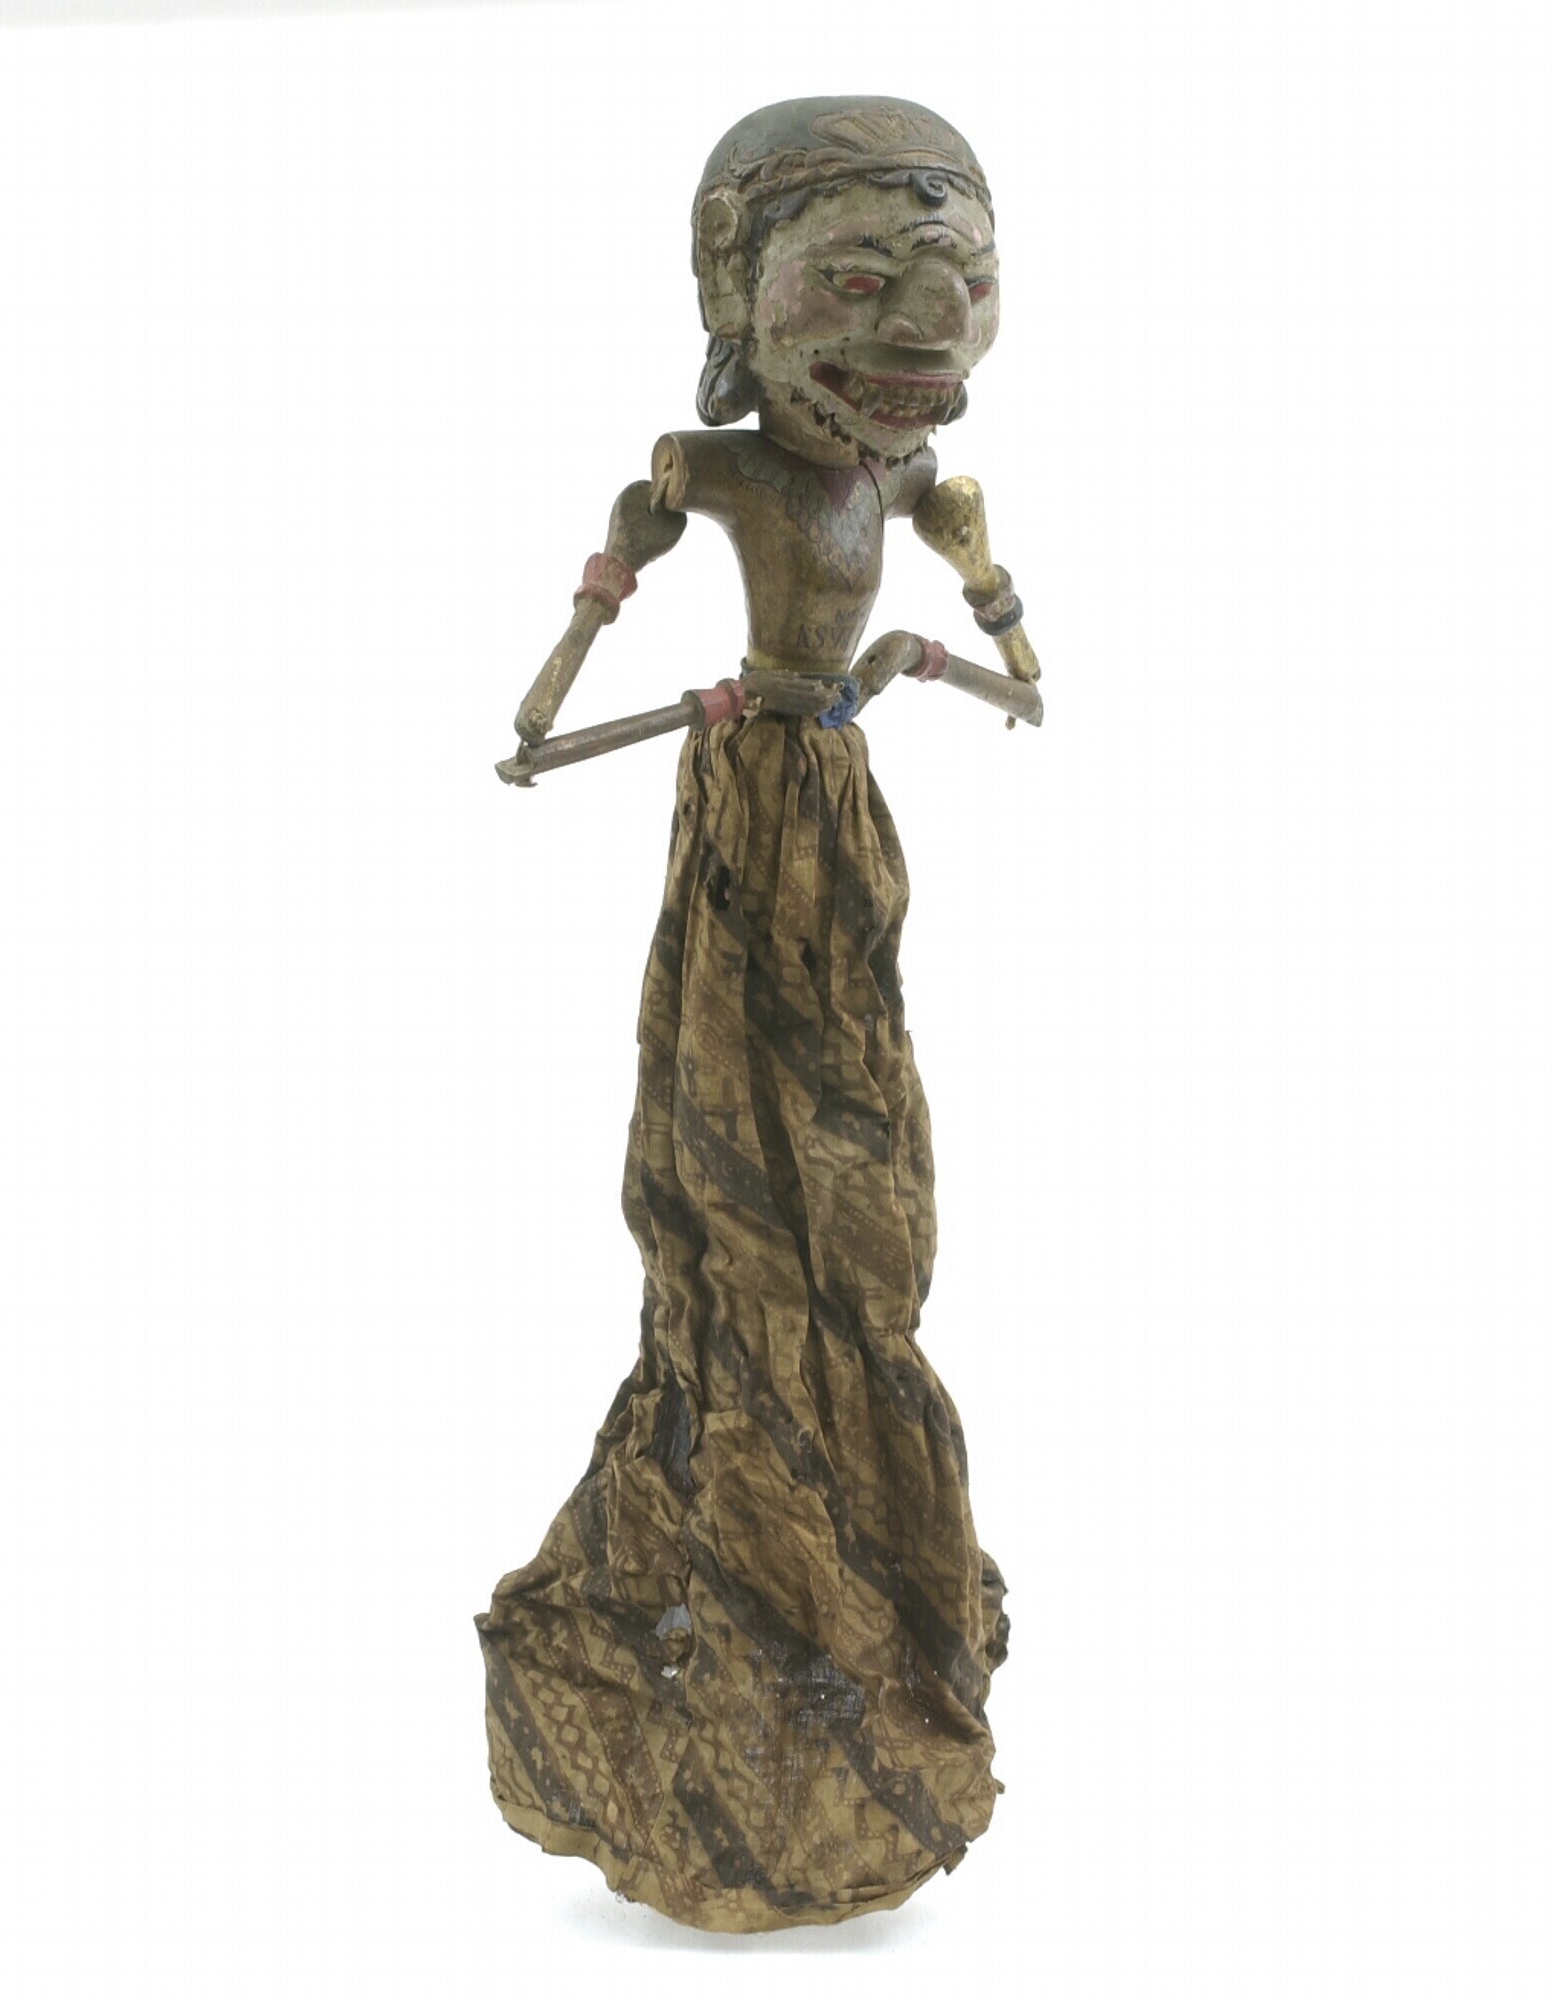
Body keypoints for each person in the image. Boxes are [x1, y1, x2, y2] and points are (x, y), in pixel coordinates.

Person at [476, 96, 1039, 1933]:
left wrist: (972, 648)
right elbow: (619, 563)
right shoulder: (725, 471)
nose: (928, 323)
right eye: (860, 279)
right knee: (732, 1169)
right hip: (750, 806)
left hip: (837, 804)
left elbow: (973, 597)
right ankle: (722, 1578)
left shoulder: (911, 481)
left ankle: (857, 1583)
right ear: (739, 290)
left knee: (857, 1164)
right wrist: (556, 691)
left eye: (963, 276)